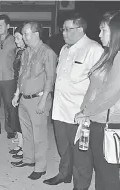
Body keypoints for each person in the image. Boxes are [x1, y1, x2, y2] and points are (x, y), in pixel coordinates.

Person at [74, 10, 120, 190]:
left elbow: (111, 93)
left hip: (110, 124)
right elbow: (95, 87)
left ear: (117, 31)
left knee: (107, 174)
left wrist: (86, 111)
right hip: (98, 120)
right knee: (101, 171)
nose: (99, 34)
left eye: (104, 30)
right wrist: (85, 110)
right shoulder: (109, 53)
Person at [43, 13, 104, 190]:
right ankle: (64, 174)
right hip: (60, 109)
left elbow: (98, 84)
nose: (64, 33)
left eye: (68, 29)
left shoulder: (93, 49)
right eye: (63, 29)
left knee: (81, 154)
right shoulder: (64, 49)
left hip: (79, 113)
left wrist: (88, 111)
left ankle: (81, 185)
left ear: (80, 29)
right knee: (64, 147)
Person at [10, 22, 56, 180]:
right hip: (24, 98)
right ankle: (28, 159)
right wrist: (17, 95)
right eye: (22, 34)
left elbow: (50, 79)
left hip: (38, 99)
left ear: (36, 34)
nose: (23, 37)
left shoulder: (47, 53)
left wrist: (44, 100)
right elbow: (21, 76)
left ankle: (40, 167)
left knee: (39, 135)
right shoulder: (26, 52)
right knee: (27, 132)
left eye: (26, 34)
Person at [9, 25, 25, 159]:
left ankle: (24, 145)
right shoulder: (19, 51)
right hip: (16, 85)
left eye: (18, 38)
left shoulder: (28, 52)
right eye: (15, 38)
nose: (16, 40)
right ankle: (20, 143)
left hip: (23, 88)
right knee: (16, 116)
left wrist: (18, 92)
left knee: (22, 118)